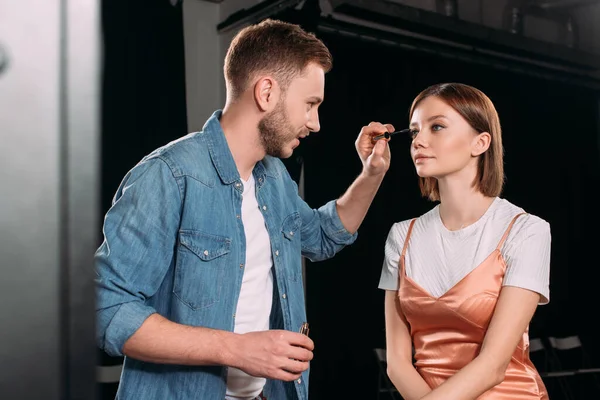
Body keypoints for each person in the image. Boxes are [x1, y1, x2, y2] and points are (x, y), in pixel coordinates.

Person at [95, 19, 394, 400]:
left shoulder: (275, 179)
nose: (315, 124)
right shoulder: (168, 175)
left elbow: (322, 236)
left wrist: (371, 174)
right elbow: (106, 307)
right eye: (310, 104)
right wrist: (235, 348)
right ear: (266, 92)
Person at [379, 82, 551, 399]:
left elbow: (493, 365)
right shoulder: (401, 236)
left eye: (437, 127)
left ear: (480, 142)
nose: (419, 141)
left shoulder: (526, 230)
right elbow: (397, 364)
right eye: (415, 131)